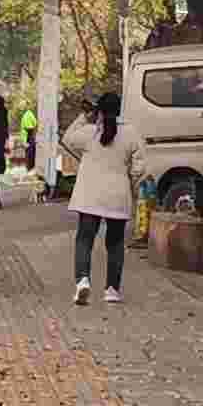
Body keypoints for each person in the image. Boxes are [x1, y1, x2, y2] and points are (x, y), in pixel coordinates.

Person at [63, 91, 136, 304]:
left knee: (84, 240)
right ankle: (112, 290)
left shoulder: (89, 133)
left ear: (99, 111)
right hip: (118, 196)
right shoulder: (131, 133)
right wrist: (131, 184)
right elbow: (140, 166)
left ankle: (82, 281)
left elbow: (67, 139)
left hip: (90, 197)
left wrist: (85, 116)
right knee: (115, 243)